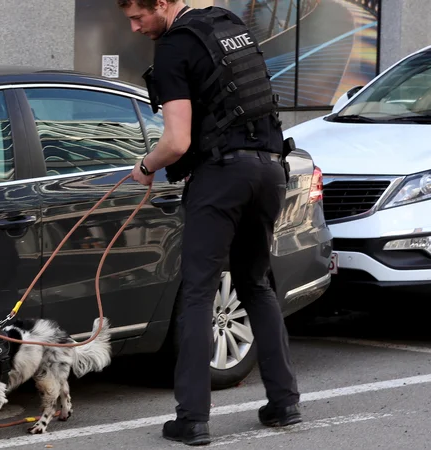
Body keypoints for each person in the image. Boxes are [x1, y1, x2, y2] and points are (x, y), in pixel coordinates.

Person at [117, 0, 302, 446]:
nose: (136, 27)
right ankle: (284, 403)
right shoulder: (227, 23)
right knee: (256, 283)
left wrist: (145, 166)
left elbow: (177, 141)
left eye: (138, 16)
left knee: (198, 291)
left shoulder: (175, 46)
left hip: (221, 177)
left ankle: (193, 419)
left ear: (161, 4)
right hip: (270, 169)